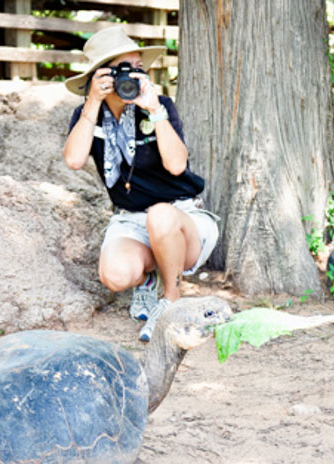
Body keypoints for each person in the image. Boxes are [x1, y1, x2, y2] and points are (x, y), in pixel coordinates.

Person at [62, 26, 219, 343]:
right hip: (132, 220)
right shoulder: (87, 114)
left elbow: (177, 165)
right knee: (115, 276)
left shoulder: (160, 106)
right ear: (100, 75)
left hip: (180, 218)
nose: (132, 76)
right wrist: (93, 103)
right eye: (123, 69)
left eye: (138, 69)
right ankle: (148, 280)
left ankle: (171, 301)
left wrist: (155, 112)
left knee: (160, 215)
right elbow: (74, 160)